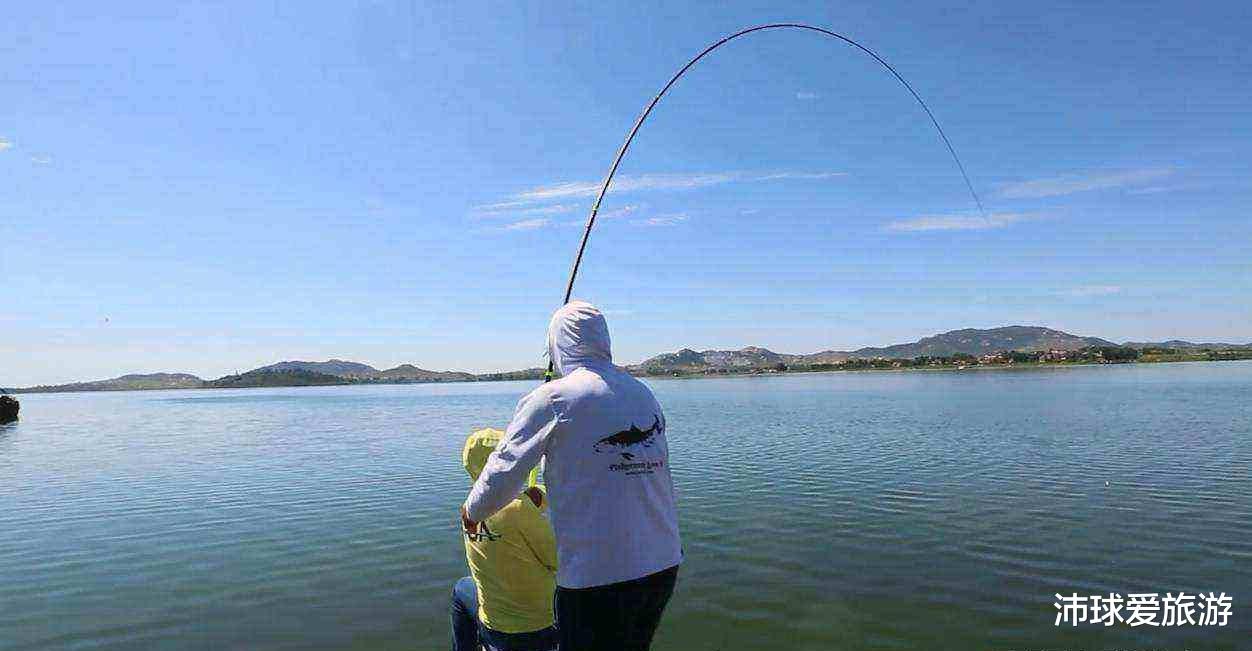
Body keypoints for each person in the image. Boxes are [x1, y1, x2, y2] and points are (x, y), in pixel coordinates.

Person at [462, 301, 682, 651]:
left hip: (597, 575)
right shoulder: (642, 394)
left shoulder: (552, 398)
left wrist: (472, 511)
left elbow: (504, 468)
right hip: (663, 564)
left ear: (558, 345)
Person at [451, 428, 558, 651]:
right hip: (536, 629)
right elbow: (558, 561)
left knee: (462, 588)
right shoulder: (518, 510)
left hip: (493, 625)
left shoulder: (468, 509)